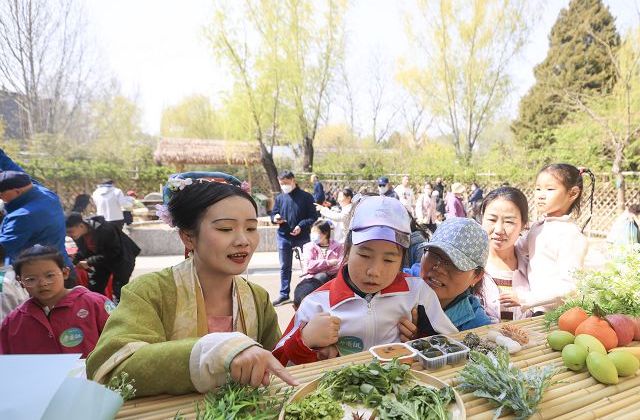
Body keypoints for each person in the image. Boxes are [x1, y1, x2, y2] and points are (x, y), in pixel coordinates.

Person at [86, 173, 298, 398]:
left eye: (251, 228)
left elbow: (276, 365)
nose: (243, 240)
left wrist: (306, 344)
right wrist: (216, 352)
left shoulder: (256, 297)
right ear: (188, 237)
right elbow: (110, 369)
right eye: (226, 229)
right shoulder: (149, 292)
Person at [272, 196, 456, 365]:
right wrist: (304, 340)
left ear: (402, 260)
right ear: (347, 249)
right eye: (365, 255)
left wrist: (418, 339)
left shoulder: (418, 293)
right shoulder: (317, 303)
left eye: (389, 260)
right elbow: (278, 362)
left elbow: (452, 343)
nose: (374, 271)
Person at [0, 245, 114, 357]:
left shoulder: (96, 304)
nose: (42, 283)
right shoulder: (13, 321)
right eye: (31, 279)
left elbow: (120, 343)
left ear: (65, 273)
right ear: (20, 282)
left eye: (49, 276)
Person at [516, 163, 592, 314]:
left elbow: (570, 286)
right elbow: (516, 249)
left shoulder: (570, 235)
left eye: (549, 189)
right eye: (538, 188)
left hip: (554, 315)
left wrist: (526, 298)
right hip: (533, 309)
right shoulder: (538, 227)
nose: (541, 195)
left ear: (572, 194)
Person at [405, 218, 493, 331]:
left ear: (477, 276)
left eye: (454, 264)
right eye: (434, 254)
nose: (439, 269)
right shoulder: (396, 285)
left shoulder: (477, 327)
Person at [0, 171, 74, 272]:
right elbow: (16, 172)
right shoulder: (47, 194)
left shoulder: (22, 216)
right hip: (61, 268)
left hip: (42, 278)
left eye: (1, 193)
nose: (0, 197)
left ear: (17, 192)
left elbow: (2, 248)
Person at [479, 186, 531, 321]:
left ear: (523, 224)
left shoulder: (532, 271)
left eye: (509, 222)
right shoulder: (468, 267)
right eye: (491, 219)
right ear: (482, 218)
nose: (499, 229)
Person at [65, 213, 141, 302]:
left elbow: (113, 252)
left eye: (70, 232)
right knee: (95, 289)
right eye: (67, 233)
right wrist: (75, 258)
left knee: (118, 292)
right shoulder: (79, 234)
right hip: (102, 261)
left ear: (81, 226)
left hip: (121, 259)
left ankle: (119, 314)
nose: (69, 235)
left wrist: (89, 262)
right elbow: (85, 251)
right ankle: (101, 311)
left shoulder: (105, 229)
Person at [271, 170, 318, 306]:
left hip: (302, 237)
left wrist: (301, 226)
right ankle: (284, 294)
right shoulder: (280, 198)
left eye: (286, 182)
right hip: (283, 236)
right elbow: (274, 213)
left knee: (306, 266)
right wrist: (276, 218)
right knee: (285, 266)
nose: (284, 185)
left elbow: (313, 217)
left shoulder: (306, 197)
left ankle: (306, 293)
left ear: (293, 180)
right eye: (281, 183)